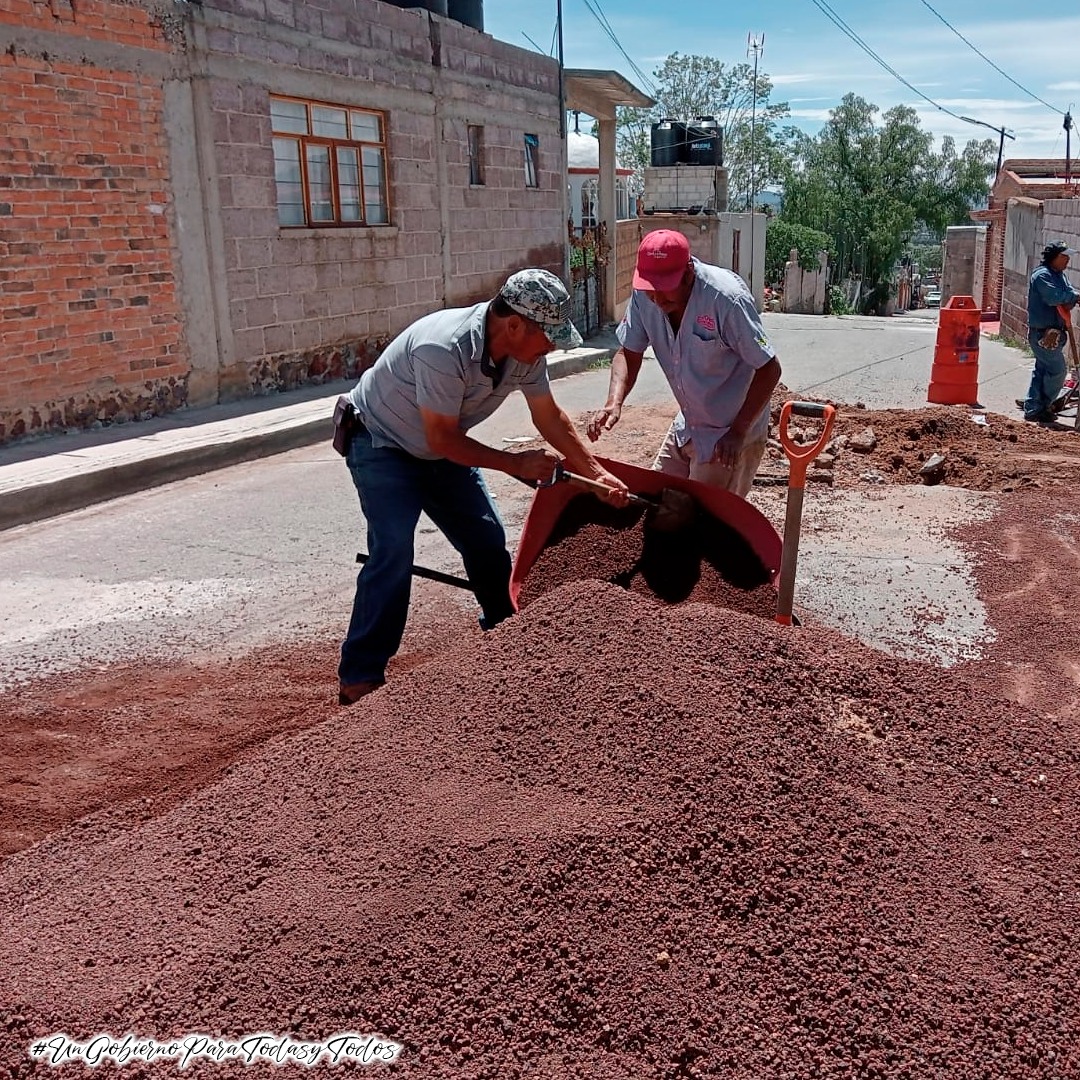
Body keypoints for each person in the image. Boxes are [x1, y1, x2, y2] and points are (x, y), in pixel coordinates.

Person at [336, 268, 629, 705]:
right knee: (393, 548)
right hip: (383, 443)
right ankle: (360, 675)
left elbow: (550, 418)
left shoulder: (525, 356)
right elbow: (442, 439)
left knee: (487, 541)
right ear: (513, 324)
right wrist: (514, 464)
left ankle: (506, 636)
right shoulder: (444, 347)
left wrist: (596, 472)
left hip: (439, 450)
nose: (551, 345)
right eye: (547, 336)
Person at [587, 230, 782, 497]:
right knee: (656, 498)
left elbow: (770, 368)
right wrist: (615, 401)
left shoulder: (725, 299)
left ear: (688, 272)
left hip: (730, 433)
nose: (656, 298)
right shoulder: (645, 296)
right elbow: (628, 352)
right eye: (650, 289)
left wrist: (738, 431)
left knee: (705, 519)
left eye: (664, 289)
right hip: (690, 423)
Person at [1023, 241, 1080, 424]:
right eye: (1064, 256)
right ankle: (1043, 405)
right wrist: (1073, 298)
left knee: (1042, 370)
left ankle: (1034, 407)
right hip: (1043, 334)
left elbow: (1068, 293)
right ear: (1053, 257)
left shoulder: (1059, 276)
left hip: (1055, 332)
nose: (1067, 260)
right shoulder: (1042, 276)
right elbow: (1054, 297)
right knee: (1057, 371)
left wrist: (1071, 297)